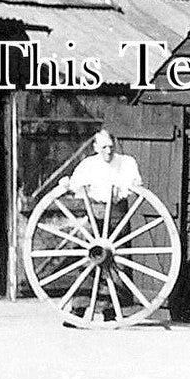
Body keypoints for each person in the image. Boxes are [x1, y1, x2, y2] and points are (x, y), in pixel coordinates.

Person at [61, 129, 144, 322]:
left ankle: (110, 310)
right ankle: (79, 310)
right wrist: (66, 184)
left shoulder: (126, 163)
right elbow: (74, 185)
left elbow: (136, 186)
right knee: (88, 261)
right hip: (95, 215)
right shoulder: (88, 164)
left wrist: (125, 190)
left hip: (117, 216)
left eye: (111, 147)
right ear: (96, 147)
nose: (108, 151)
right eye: (104, 147)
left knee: (116, 263)